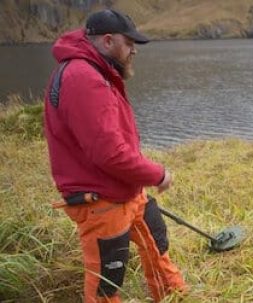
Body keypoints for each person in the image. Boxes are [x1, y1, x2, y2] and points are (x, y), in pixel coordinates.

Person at [43, 9, 187, 302]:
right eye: (129, 42)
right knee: (106, 285)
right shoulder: (84, 78)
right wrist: (158, 174)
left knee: (156, 244)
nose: (134, 49)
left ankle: (175, 297)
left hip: (126, 191)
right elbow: (109, 154)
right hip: (101, 202)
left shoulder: (98, 70)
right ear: (108, 41)